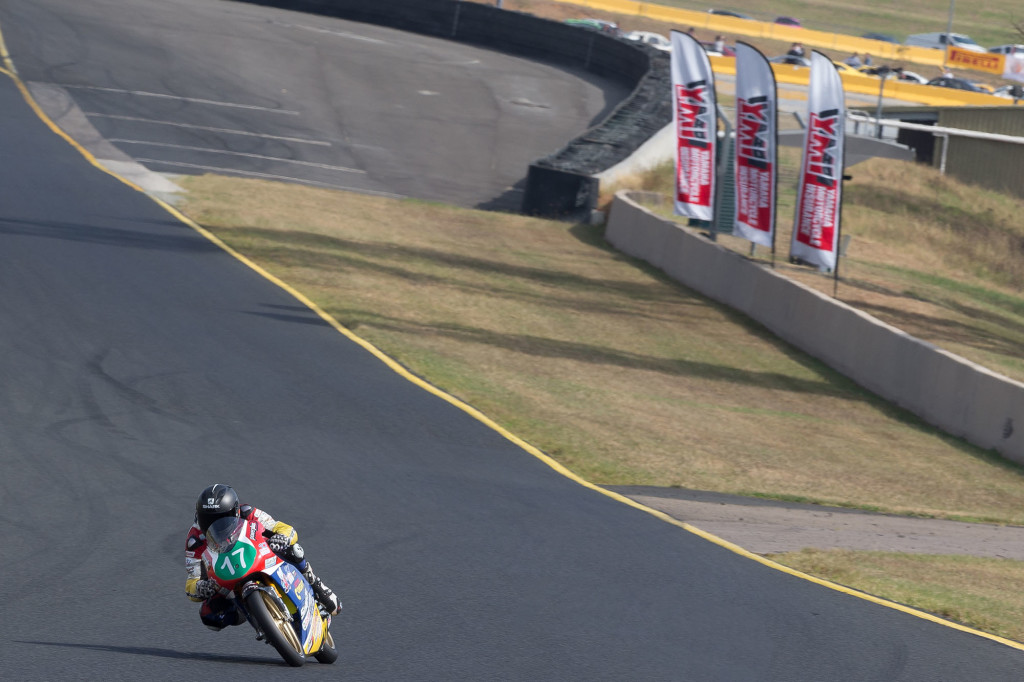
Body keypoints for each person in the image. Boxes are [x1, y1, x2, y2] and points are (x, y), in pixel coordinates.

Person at [185, 484, 342, 631]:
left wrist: (282, 538)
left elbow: (284, 529)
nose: (216, 524)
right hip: (226, 578)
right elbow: (192, 580)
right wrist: (199, 587)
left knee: (292, 549)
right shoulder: (194, 541)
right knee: (209, 615)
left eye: (223, 517)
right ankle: (254, 614)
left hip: (261, 555)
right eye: (208, 520)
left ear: (235, 512)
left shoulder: (247, 512)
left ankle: (317, 587)